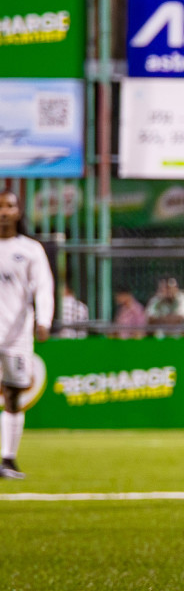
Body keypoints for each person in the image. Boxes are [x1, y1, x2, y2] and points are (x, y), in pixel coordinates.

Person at [0, 190, 52, 480]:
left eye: (9, 206)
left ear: (18, 212)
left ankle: (8, 459)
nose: (4, 212)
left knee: (13, 395)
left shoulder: (30, 249)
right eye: (0, 207)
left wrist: (44, 319)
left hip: (17, 335)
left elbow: (43, 286)